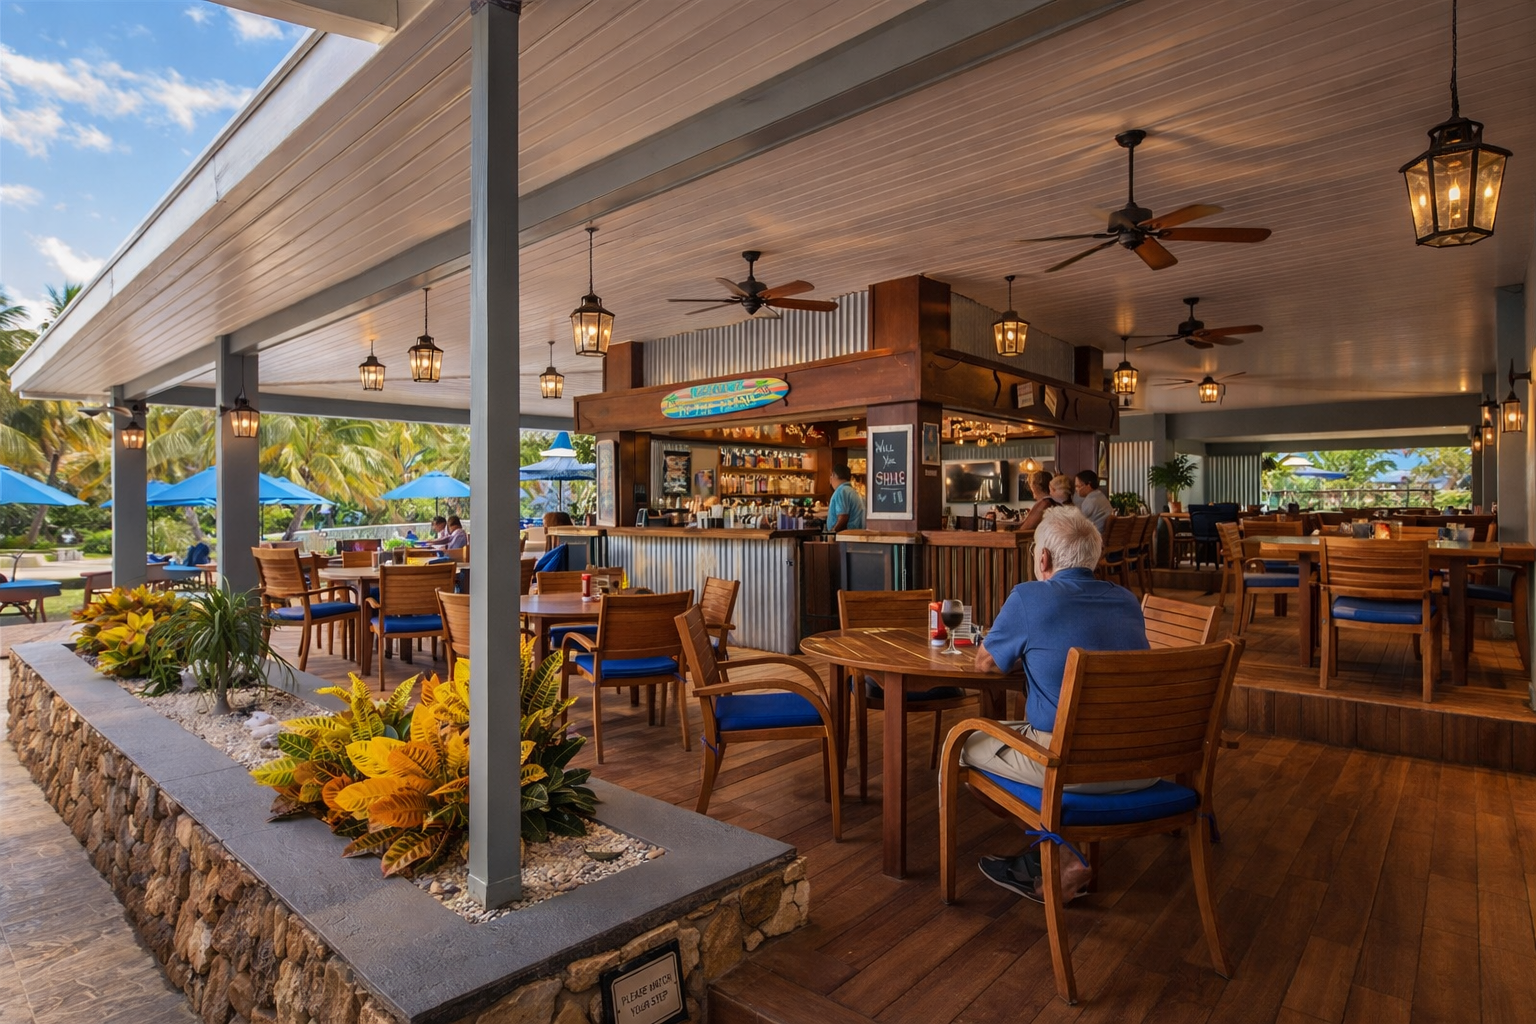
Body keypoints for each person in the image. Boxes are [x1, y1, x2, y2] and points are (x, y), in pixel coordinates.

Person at [965, 505, 1155, 904]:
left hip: (1070, 764)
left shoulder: (1030, 597)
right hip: (1143, 763)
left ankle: (1063, 854)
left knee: (964, 747)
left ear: (1044, 558)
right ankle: (1057, 843)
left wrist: (1022, 648)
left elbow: (985, 665)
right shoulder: (1125, 599)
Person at [1072, 469, 1113, 533]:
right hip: (1101, 534)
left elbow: (1077, 521)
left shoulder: (1091, 500)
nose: (1076, 489)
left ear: (1088, 485)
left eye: (1078, 486)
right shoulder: (1100, 495)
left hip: (1095, 537)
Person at [827, 465, 865, 533]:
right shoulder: (850, 490)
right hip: (854, 534)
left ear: (834, 475)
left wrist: (833, 532)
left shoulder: (841, 491)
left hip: (845, 537)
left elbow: (843, 517)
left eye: (831, 475)